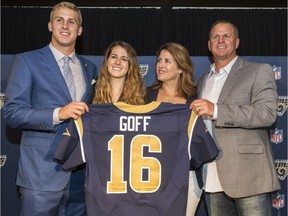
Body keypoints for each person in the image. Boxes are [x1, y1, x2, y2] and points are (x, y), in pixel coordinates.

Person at [3, 2, 97, 216]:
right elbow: (12, 113)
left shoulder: (88, 68)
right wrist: (57, 114)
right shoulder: (27, 61)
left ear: (79, 30)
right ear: (50, 25)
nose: (66, 25)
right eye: (59, 20)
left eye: (72, 21)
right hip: (40, 174)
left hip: (80, 175)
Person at [191, 20, 280, 216]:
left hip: (249, 177)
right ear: (209, 44)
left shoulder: (258, 71)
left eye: (226, 36)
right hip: (211, 177)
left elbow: (266, 114)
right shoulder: (203, 80)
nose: (220, 40)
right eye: (215, 36)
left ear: (237, 42)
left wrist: (216, 110)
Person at [145, 42, 202, 216]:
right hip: (151, 177)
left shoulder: (195, 98)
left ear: (180, 68)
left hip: (187, 176)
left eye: (167, 61)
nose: (161, 65)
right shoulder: (145, 96)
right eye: (159, 60)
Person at [92, 40, 146, 105]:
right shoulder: (92, 92)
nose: (118, 62)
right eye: (114, 57)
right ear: (106, 61)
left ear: (130, 66)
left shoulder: (140, 96)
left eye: (124, 59)